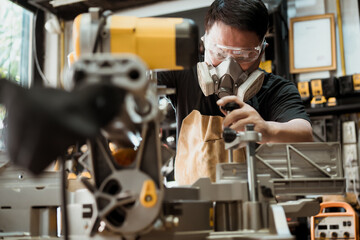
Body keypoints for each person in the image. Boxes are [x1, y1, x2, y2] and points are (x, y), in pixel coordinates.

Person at [157, 0, 313, 185]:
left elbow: (304, 134)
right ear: (204, 43)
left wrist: (267, 129)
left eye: (243, 56)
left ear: (262, 51)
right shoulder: (183, 72)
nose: (228, 67)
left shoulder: (277, 90)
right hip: (193, 206)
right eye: (220, 53)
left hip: (254, 208)